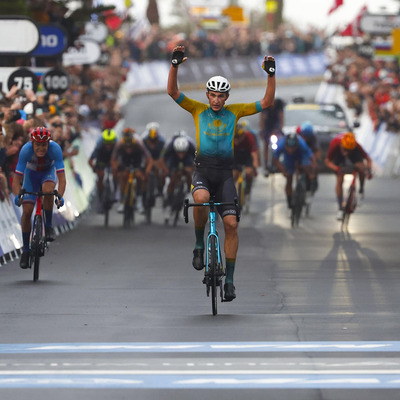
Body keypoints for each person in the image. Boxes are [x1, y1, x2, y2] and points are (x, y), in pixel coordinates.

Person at [167, 44, 276, 302]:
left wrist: (271, 74)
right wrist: (174, 66)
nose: (216, 99)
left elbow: (267, 102)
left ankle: (229, 280)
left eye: (221, 96)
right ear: (207, 95)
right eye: (213, 95)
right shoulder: (197, 109)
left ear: (226, 98)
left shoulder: (235, 112)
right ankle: (198, 243)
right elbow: (172, 92)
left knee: (232, 225)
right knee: (201, 200)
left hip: (225, 175)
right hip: (203, 172)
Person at [12, 127, 66, 269]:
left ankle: (48, 226)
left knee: (48, 191)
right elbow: (16, 179)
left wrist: (59, 196)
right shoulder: (25, 150)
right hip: (31, 176)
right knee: (27, 212)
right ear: (32, 143)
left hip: (47, 173)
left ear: (49, 144)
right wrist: (18, 195)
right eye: (38, 145)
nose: (41, 148)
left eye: (44, 145)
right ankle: (25, 251)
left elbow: (62, 178)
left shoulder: (55, 149)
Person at [324, 131, 372, 220]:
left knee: (361, 167)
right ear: (342, 145)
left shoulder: (356, 146)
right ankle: (340, 207)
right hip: (339, 158)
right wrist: (336, 168)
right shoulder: (335, 143)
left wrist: (368, 170)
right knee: (339, 178)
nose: (346, 153)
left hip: (354, 156)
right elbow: (327, 161)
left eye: (348, 150)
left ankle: (361, 189)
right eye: (345, 149)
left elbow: (368, 159)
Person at [111, 127, 150, 213]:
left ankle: (139, 200)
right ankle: (122, 201)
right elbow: (113, 159)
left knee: (139, 177)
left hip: (137, 161)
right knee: (123, 176)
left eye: (130, 147)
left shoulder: (139, 143)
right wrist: (116, 168)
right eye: (126, 147)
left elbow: (148, 158)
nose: (128, 149)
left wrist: (146, 170)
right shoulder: (119, 144)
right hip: (125, 161)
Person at [273, 133, 314, 210]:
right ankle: (289, 203)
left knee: (306, 169)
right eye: (288, 148)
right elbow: (275, 159)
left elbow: (310, 157)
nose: (290, 150)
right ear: (285, 145)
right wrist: (283, 170)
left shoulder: (302, 145)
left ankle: (307, 191)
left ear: (296, 145)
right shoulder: (281, 144)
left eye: (292, 148)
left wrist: (311, 171)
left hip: (301, 155)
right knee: (289, 178)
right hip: (288, 158)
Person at [160, 132, 196, 222]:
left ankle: (188, 190)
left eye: (182, 152)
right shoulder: (170, 147)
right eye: (179, 152)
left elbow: (195, 162)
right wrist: (168, 171)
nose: (181, 154)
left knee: (188, 173)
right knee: (172, 177)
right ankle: (169, 197)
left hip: (188, 158)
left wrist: (190, 170)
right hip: (173, 159)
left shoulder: (191, 147)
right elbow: (163, 159)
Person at [88, 128, 117, 211]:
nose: (108, 145)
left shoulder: (117, 144)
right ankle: (100, 198)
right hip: (101, 159)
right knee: (100, 177)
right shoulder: (99, 145)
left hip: (112, 158)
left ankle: (115, 192)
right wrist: (94, 168)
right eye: (106, 143)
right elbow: (90, 160)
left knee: (116, 172)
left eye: (110, 143)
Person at [232, 120, 259, 205]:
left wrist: (255, 165)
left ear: (243, 135)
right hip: (236, 155)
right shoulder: (231, 139)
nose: (237, 140)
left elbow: (254, 153)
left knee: (249, 172)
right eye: (236, 138)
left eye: (239, 137)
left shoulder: (249, 136)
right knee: (233, 175)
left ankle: (248, 188)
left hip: (247, 155)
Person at [259, 97, 285, 176]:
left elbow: (281, 117)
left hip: (276, 127)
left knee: (279, 143)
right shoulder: (265, 105)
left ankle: (276, 161)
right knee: (266, 144)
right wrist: (262, 130)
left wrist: (281, 128)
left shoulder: (279, 105)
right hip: (268, 127)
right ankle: (266, 163)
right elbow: (262, 118)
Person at [141, 122, 168, 196]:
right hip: (147, 158)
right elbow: (141, 153)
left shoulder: (162, 141)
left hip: (157, 158)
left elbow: (163, 154)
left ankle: (160, 188)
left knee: (161, 173)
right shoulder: (143, 140)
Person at [297, 121, 321, 195]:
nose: (305, 139)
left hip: (310, 153)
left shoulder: (313, 138)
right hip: (300, 152)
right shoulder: (297, 135)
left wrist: (315, 163)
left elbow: (317, 151)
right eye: (304, 136)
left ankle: (313, 180)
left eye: (307, 137)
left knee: (314, 165)